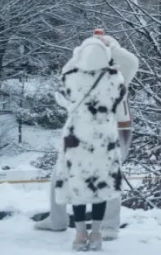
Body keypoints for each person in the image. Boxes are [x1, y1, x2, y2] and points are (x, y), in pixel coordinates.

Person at [36, 31, 139, 242]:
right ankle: (98, 227)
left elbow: (65, 78)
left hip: (98, 129)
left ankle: (90, 224)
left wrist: (105, 46)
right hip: (109, 128)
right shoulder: (116, 76)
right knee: (106, 176)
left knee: (82, 176)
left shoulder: (111, 72)